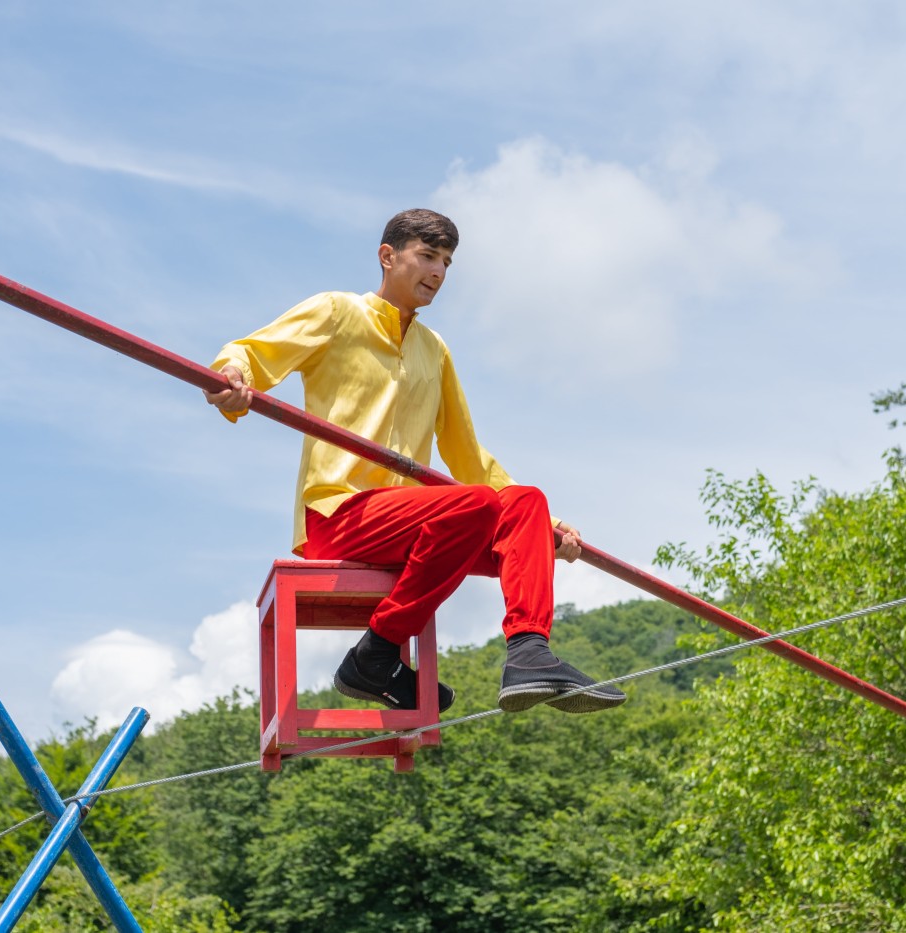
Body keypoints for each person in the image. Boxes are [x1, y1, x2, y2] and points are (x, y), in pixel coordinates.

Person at [204, 209, 625, 716]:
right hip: (339, 514)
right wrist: (231, 378)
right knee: (472, 506)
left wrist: (543, 527)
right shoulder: (337, 312)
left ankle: (528, 652)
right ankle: (378, 650)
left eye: (446, 262)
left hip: (423, 524)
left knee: (526, 502)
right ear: (388, 256)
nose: (438, 273)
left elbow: (468, 455)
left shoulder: (434, 350)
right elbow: (252, 352)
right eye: (427, 256)